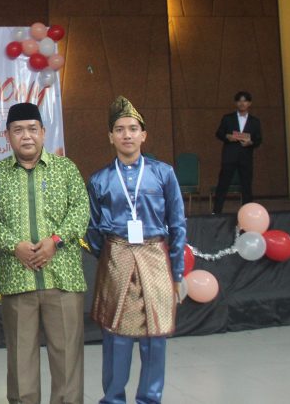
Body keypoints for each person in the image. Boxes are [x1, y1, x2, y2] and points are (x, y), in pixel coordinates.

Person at [86, 97, 187, 404]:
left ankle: (149, 398)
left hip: (155, 256)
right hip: (116, 257)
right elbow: (92, 229)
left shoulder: (163, 173)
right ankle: (113, 398)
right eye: (119, 129)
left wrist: (177, 272)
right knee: (115, 334)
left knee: (155, 336)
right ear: (110, 136)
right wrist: (111, 255)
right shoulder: (99, 179)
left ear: (144, 135)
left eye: (132, 129)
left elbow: (177, 223)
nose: (126, 135)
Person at [0, 102, 90, 404]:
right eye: (18, 130)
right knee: (21, 363)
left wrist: (55, 240)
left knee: (68, 362)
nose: (26, 136)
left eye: (32, 129)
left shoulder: (66, 168)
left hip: (63, 279)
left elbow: (81, 210)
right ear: (7, 136)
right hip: (17, 279)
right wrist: (14, 246)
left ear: (44, 132)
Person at [212, 91, 263, 214]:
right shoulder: (228, 118)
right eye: (239, 101)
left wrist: (250, 143)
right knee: (223, 184)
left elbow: (258, 139)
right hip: (229, 156)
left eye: (245, 101)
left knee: (246, 185)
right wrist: (227, 136)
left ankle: (248, 213)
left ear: (249, 103)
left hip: (246, 157)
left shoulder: (255, 121)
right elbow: (219, 133)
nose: (242, 103)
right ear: (236, 103)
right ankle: (216, 212)